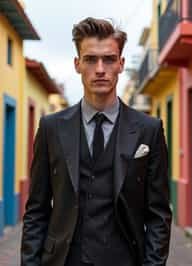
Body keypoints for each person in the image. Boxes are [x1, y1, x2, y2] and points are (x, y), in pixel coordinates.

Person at [21, 17, 172, 266]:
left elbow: (158, 214)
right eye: (90, 59)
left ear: (121, 64)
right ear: (77, 64)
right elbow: (36, 210)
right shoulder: (51, 128)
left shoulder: (149, 130)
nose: (100, 69)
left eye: (109, 59)